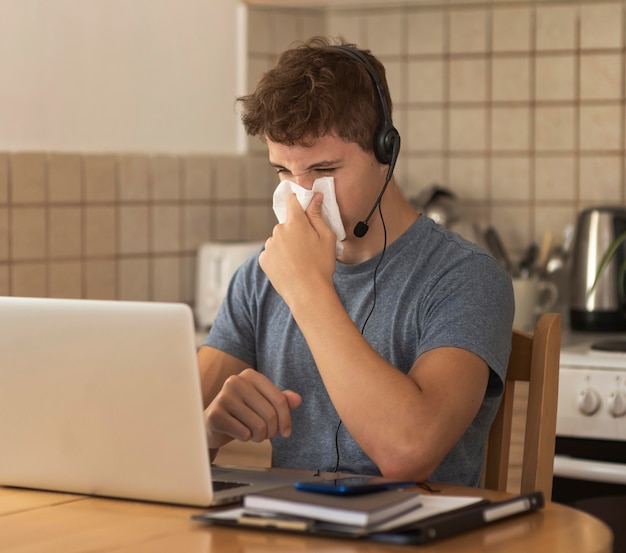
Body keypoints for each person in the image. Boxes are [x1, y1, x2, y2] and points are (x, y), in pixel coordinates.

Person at [198, 36, 514, 487]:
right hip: (288, 529)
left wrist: (308, 290)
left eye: (324, 171)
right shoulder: (259, 277)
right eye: (284, 173)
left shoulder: (466, 278)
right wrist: (209, 431)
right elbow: (162, 437)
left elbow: (407, 452)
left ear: (385, 152)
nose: (302, 196)